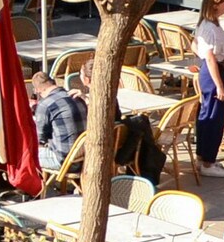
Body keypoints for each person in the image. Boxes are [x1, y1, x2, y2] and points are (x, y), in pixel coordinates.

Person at [72, 54, 166, 187]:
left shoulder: (91, 102)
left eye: (80, 73)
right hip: (119, 144)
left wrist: (85, 99)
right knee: (140, 120)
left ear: (87, 79)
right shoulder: (110, 94)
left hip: (99, 147)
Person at [193, 0, 224, 174]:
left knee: (207, 114)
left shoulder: (208, 24)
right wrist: (219, 86)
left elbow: (194, 43)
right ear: (215, 6)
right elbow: (210, 57)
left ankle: (204, 157)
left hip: (212, 71)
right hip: (214, 73)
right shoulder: (209, 27)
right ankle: (208, 161)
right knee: (214, 118)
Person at [31, 70, 88, 174]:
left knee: (24, 154)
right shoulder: (77, 97)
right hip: (85, 158)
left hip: (65, 161)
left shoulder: (45, 105)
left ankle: (33, 188)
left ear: (38, 90)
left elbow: (39, 139)